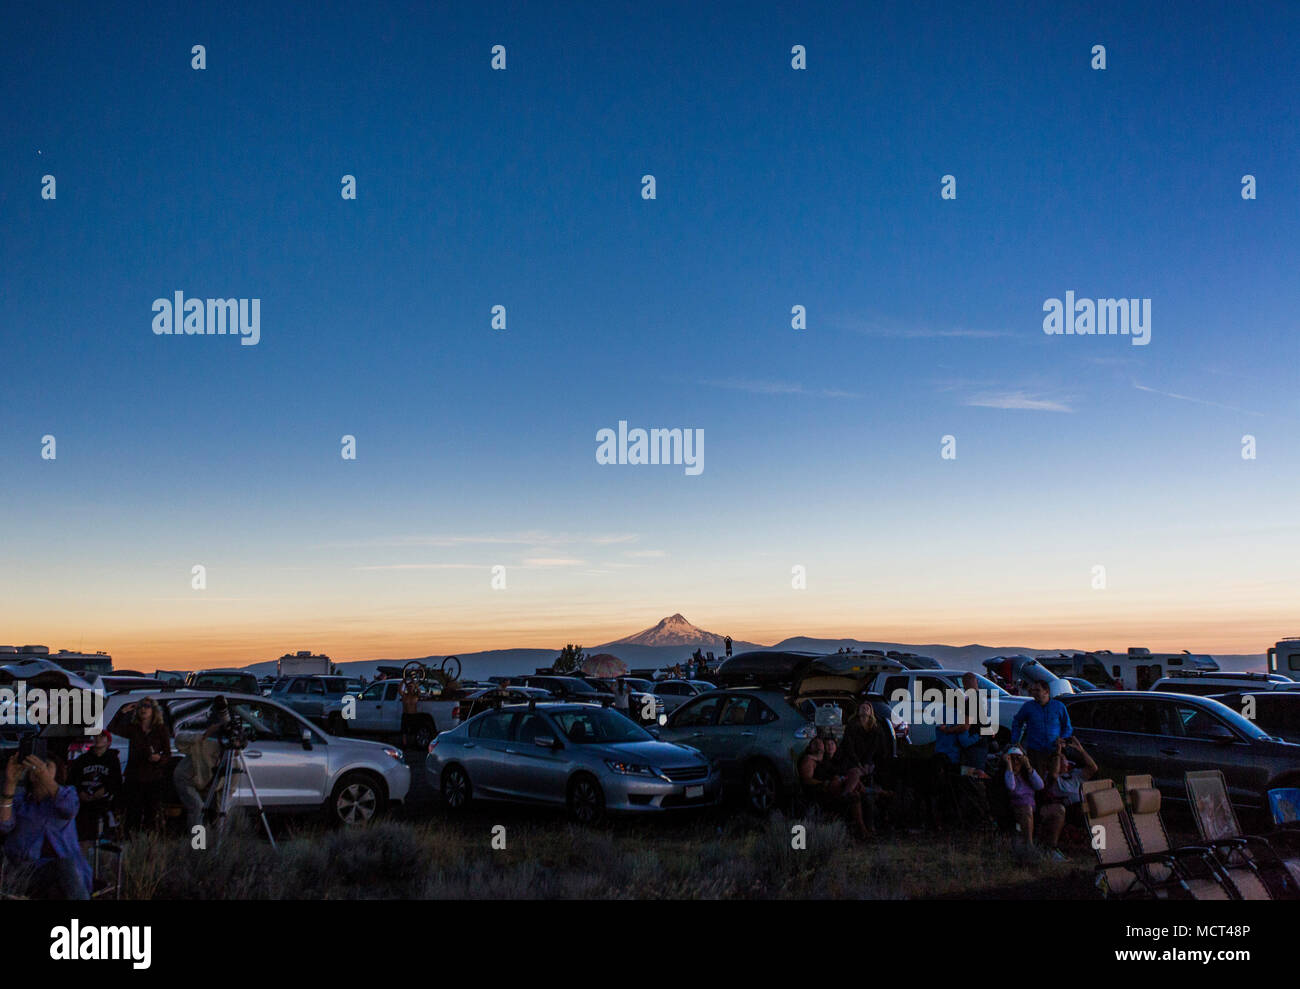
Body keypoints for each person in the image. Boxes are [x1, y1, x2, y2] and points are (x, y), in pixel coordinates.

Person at [1, 753, 92, 899]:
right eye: (35, 767)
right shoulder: (21, 802)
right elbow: (4, 825)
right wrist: (10, 783)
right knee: (63, 871)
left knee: (63, 871)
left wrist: (44, 776)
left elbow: (69, 808)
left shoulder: (67, 795)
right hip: (26, 871)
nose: (38, 769)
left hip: (66, 874)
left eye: (46, 766)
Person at [111, 697, 172, 835]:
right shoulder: (133, 729)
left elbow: (168, 755)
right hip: (134, 776)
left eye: (147, 706)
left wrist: (159, 758)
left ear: (153, 710)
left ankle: (147, 843)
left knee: (151, 813)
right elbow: (113, 728)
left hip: (153, 777)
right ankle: (130, 841)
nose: (143, 709)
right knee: (133, 813)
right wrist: (121, 713)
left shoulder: (161, 729)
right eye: (140, 707)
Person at [173, 698, 229, 836]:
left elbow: (225, 797)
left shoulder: (230, 760)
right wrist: (204, 735)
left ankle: (218, 845)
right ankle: (198, 846)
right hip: (188, 779)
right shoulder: (203, 744)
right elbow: (179, 740)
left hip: (207, 782)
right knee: (197, 808)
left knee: (220, 809)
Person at [799, 737, 869, 839]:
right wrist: (824, 783)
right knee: (853, 792)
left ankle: (862, 829)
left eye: (820, 743)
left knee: (855, 779)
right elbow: (806, 780)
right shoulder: (809, 760)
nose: (819, 746)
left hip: (837, 785)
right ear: (810, 747)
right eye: (815, 743)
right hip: (823, 789)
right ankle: (862, 830)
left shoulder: (826, 760)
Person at [1038, 735, 1098, 850]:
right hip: (1071, 809)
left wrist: (1080, 750)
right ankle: (1052, 849)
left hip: (1084, 806)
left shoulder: (1074, 774)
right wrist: (1058, 751)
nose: (1063, 761)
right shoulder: (1051, 778)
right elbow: (1054, 774)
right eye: (1059, 759)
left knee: (1112, 804)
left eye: (1064, 758)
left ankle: (1128, 840)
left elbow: (1093, 768)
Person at [1010, 679, 1072, 781]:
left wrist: (1063, 739)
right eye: (1033, 690)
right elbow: (1017, 722)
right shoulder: (1028, 707)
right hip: (1035, 751)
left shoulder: (1059, 706)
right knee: (1037, 779)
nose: (1034, 693)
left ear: (1046, 692)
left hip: (1054, 751)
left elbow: (1067, 727)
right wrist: (1015, 740)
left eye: (1037, 690)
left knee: (1054, 780)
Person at [68, 731, 122, 842]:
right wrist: (80, 791)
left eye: (102, 736)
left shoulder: (112, 760)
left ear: (108, 741)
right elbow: (72, 779)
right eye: (95, 736)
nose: (98, 738)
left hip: (103, 800)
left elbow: (116, 781)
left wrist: (105, 789)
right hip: (83, 799)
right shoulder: (82, 759)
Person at [1002, 746, 1045, 847]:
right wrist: (1009, 765)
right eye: (1013, 758)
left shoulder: (1027, 774)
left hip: (1032, 808)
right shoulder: (1006, 774)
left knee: (1057, 810)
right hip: (1016, 807)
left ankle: (1050, 846)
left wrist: (1028, 766)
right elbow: (1011, 786)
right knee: (1026, 809)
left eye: (1019, 758)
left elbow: (1040, 786)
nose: (1016, 761)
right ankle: (1029, 845)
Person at [400, 678, 422, 748]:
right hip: (406, 715)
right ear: (407, 687)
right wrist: (403, 681)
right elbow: (399, 690)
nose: (410, 688)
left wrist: (414, 683)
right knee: (404, 732)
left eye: (411, 687)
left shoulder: (415, 696)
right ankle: (405, 745)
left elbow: (419, 691)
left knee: (414, 731)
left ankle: (413, 745)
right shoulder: (404, 695)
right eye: (409, 687)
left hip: (413, 715)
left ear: (413, 688)